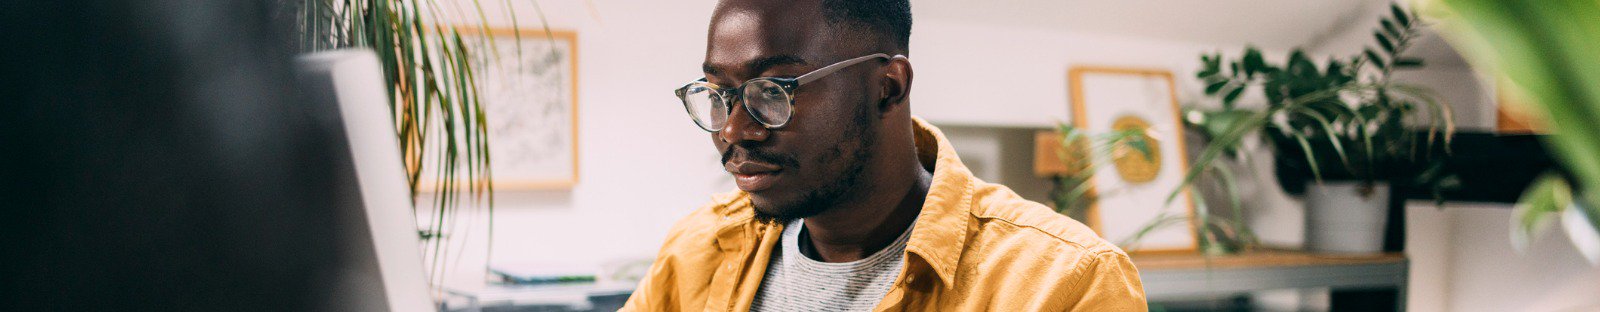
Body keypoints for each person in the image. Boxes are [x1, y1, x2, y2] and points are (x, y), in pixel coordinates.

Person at [623, 0, 1146, 310]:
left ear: (887, 87)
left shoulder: (1062, 282)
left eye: (773, 91)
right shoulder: (698, 251)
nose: (735, 129)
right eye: (718, 94)